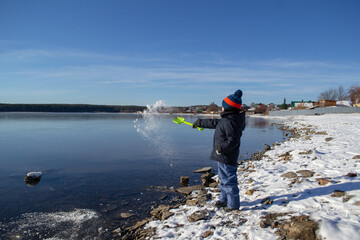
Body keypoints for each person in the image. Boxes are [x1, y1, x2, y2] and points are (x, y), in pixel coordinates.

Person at [193, 89, 246, 211]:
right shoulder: (228, 120)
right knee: (223, 180)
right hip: (223, 156)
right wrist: (200, 122)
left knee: (229, 182)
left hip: (227, 156)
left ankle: (233, 205)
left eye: (223, 106)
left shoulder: (230, 122)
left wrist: (221, 148)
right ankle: (223, 200)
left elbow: (233, 141)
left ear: (228, 108)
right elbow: (215, 123)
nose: (221, 108)